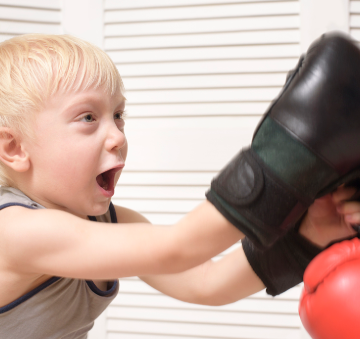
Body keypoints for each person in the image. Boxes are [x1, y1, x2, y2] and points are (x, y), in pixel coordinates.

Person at [0, 34, 357, 338]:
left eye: (119, 115)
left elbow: (205, 281)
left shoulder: (111, 222)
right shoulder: (15, 231)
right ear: (14, 148)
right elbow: (178, 247)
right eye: (88, 117)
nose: (117, 137)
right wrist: (287, 160)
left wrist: (308, 234)